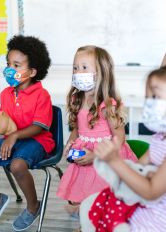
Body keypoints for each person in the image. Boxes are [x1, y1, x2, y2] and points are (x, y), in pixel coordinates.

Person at [56, 46, 138, 223]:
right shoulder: (77, 98)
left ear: (101, 72)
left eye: (85, 67)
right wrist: (70, 142)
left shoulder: (108, 104)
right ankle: (83, 214)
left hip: (106, 156)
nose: (78, 72)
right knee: (82, 189)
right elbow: (79, 127)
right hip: (84, 150)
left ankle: (94, 217)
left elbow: (119, 138)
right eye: (75, 68)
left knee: (101, 193)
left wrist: (97, 156)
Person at [0, 35, 54, 231]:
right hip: (12, 141)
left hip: (37, 141)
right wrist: (1, 127)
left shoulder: (42, 95)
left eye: (16, 65)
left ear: (32, 71)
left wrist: (13, 136)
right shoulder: (6, 93)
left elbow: (39, 127)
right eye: (8, 64)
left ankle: (33, 207)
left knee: (17, 165)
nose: (9, 69)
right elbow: (4, 120)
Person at [93, 66, 166, 231]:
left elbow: (151, 191)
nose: (149, 104)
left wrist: (114, 160)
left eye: (155, 96)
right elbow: (138, 168)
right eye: (147, 98)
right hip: (142, 215)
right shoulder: (159, 137)